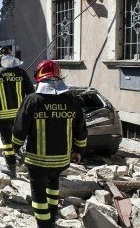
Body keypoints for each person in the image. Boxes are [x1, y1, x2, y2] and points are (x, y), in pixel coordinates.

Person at [12, 60, 88, 228]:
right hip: (61, 160)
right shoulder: (72, 101)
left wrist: (15, 147)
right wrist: (78, 151)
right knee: (53, 188)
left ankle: (44, 225)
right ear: (59, 77)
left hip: (37, 161)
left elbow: (20, 128)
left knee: (39, 196)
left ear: (39, 78)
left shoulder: (32, 100)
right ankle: (52, 220)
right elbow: (81, 130)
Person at [0, 46, 34, 177]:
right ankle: (20, 157)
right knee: (19, 138)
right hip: (20, 114)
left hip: (3, 114)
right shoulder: (21, 72)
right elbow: (31, 92)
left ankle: (11, 167)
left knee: (7, 142)